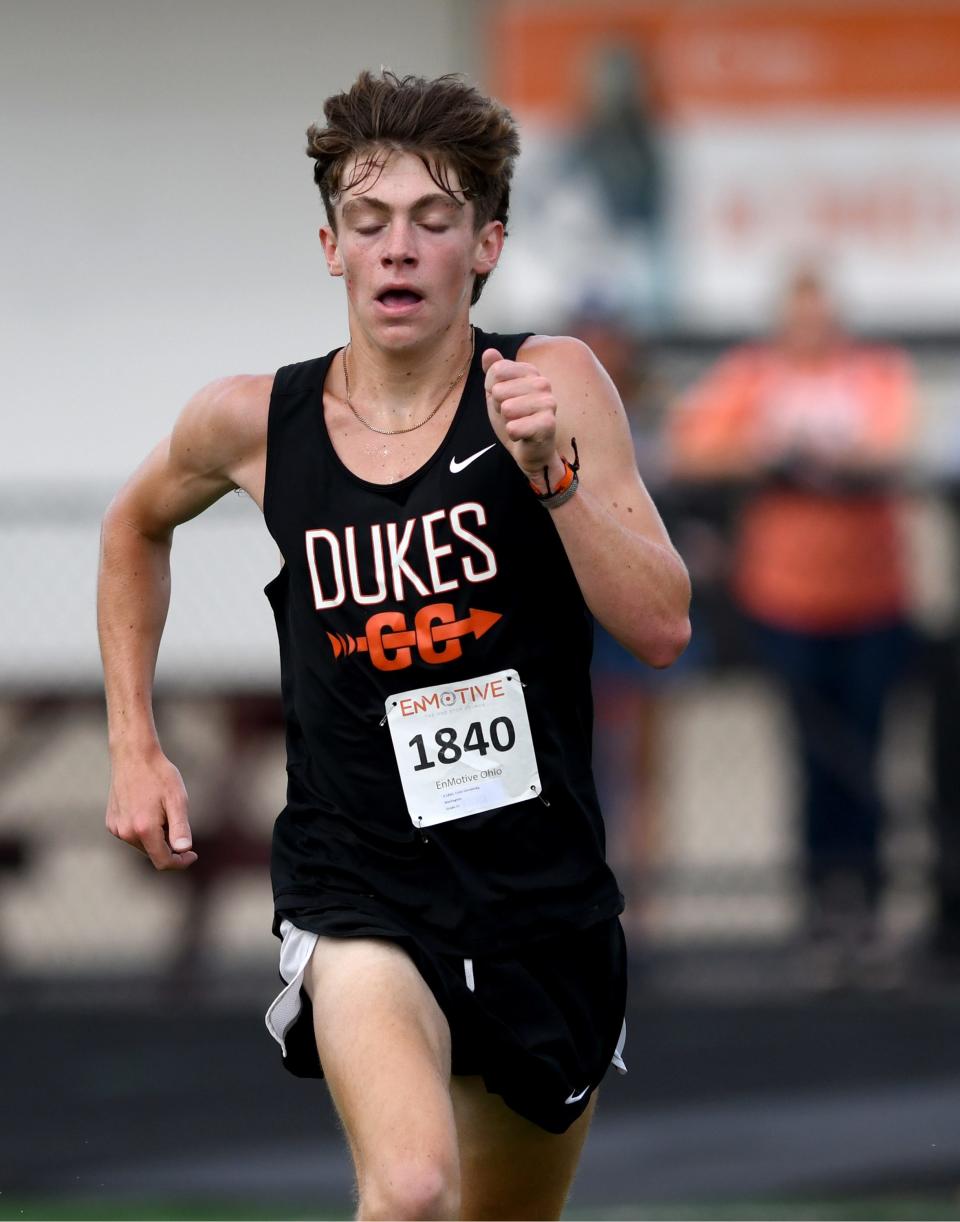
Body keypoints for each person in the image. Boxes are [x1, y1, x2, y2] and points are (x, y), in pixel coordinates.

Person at [97, 71, 690, 1220]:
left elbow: (661, 624)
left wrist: (551, 478)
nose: (400, 249)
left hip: (540, 893)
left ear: (487, 243)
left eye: (433, 220)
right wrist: (135, 743)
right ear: (333, 247)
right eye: (371, 223)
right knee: (411, 1190)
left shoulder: (552, 382)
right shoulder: (251, 421)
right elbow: (133, 527)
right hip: (357, 878)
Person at [670, 267, 914, 978]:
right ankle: (819, 909)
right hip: (787, 604)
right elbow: (694, 445)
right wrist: (768, 454)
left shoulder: (873, 371)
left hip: (872, 601)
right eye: (798, 318)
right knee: (810, 760)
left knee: (867, 756)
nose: (810, 331)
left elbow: (894, 445)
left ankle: (866, 907)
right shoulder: (753, 375)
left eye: (821, 317)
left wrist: (830, 460)